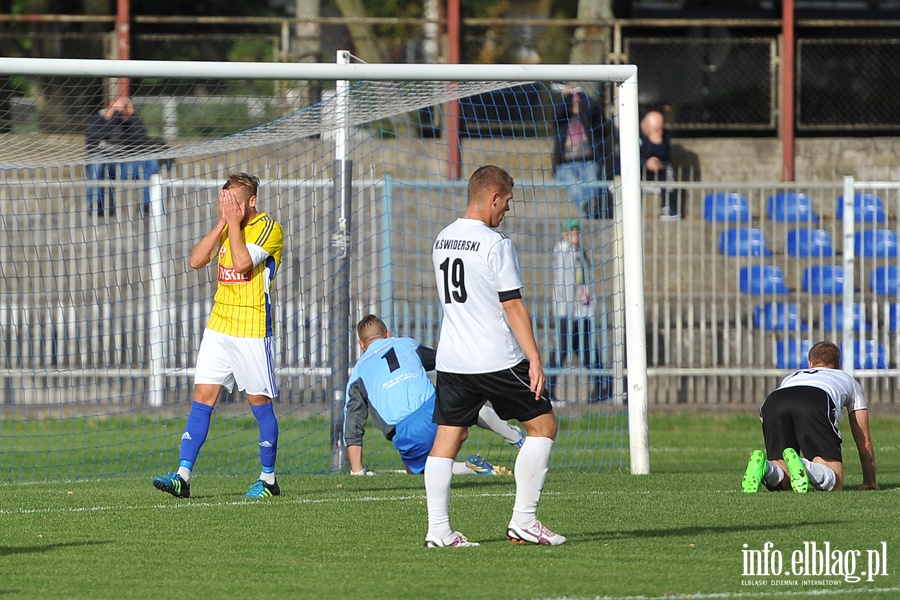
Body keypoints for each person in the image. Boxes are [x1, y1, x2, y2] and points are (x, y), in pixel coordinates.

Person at [425, 165, 565, 548]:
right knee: (544, 427)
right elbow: (512, 305)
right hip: (496, 358)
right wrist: (534, 358)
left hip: (453, 359)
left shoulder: (443, 239)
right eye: (506, 202)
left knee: (448, 439)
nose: (506, 210)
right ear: (492, 197)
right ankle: (524, 520)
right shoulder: (495, 243)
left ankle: (438, 530)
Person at [153, 173, 284, 499]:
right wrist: (221, 224)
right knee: (201, 399)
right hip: (219, 327)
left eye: (234, 204)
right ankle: (182, 477)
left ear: (251, 202)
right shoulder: (227, 226)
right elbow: (196, 260)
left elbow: (241, 264)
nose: (229, 210)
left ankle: (268, 480)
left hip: (251, 329)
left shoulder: (269, 229)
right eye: (224, 203)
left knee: (259, 404)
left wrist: (234, 225)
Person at [344, 314, 525, 476]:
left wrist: (357, 470)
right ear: (388, 334)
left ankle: (469, 468)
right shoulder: (405, 344)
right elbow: (443, 361)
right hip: (436, 409)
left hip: (407, 432)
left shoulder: (357, 374)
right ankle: (516, 438)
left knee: (421, 470)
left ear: (362, 345)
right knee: (466, 401)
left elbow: (353, 426)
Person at [741, 341, 878, 494]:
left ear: (810, 363)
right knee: (835, 480)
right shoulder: (848, 380)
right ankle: (803, 465)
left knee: (782, 472)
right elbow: (864, 439)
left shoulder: (793, 376)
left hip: (774, 401)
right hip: (815, 398)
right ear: (838, 366)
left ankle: (767, 468)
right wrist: (870, 481)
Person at [547, 218, 609, 403]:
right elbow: (566, 282)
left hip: (582, 310)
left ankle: (602, 388)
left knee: (589, 350)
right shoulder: (563, 251)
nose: (575, 235)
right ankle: (547, 390)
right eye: (571, 231)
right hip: (568, 311)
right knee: (563, 349)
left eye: (577, 231)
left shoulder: (580, 253)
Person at [85, 95, 160, 216]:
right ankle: (96, 204)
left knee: (150, 159)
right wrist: (114, 115)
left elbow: (142, 141)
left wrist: (132, 115)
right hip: (106, 165)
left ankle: (148, 204)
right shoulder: (98, 118)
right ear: (110, 104)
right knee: (95, 159)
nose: (122, 109)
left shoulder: (131, 121)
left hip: (125, 165)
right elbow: (93, 141)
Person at [552, 86, 611, 220]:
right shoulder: (562, 121)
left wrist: (581, 93)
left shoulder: (589, 120)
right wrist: (567, 96)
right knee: (573, 184)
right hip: (565, 164)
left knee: (592, 182)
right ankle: (586, 206)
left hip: (589, 161)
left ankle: (589, 210)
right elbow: (557, 111)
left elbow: (593, 110)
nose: (575, 101)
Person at [639, 110, 679, 219]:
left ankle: (669, 210)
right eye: (657, 129)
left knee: (669, 170)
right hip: (638, 170)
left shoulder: (664, 134)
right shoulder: (634, 132)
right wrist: (645, 163)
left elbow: (666, 156)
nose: (660, 131)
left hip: (657, 170)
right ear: (646, 126)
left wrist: (658, 144)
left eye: (661, 128)